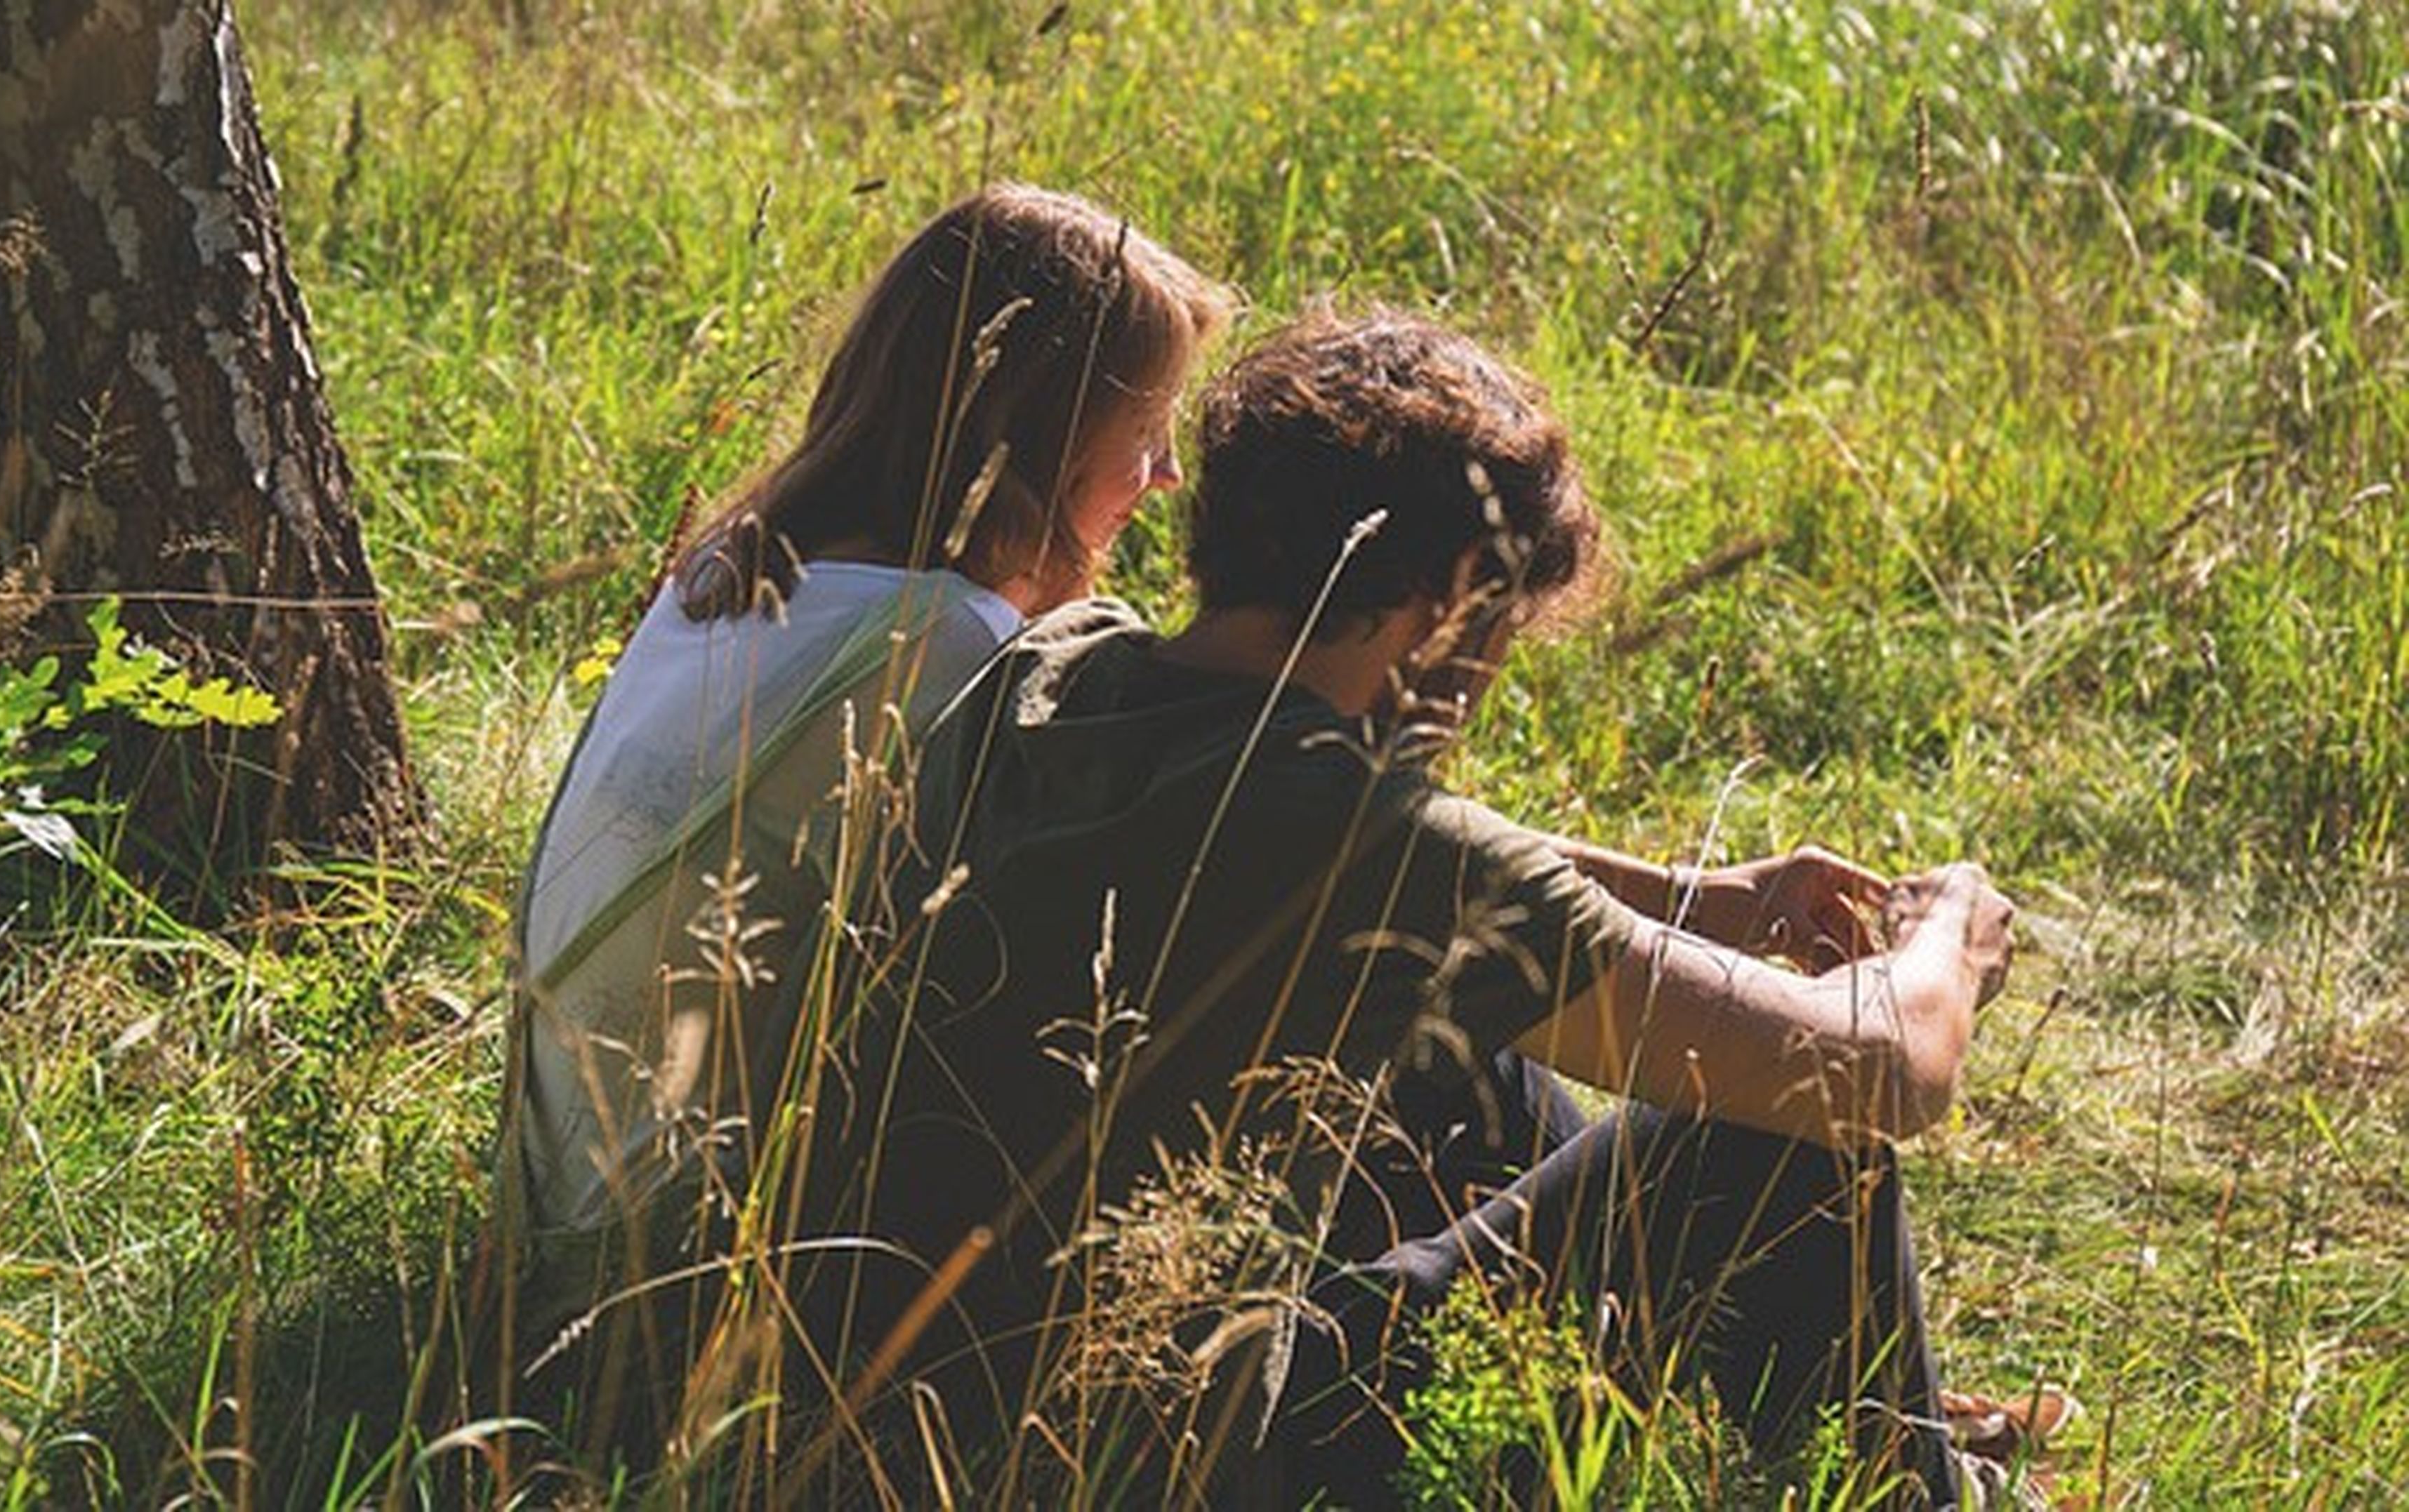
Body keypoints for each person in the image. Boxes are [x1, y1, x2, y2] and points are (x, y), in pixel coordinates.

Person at [811, 308, 2033, 1506]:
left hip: (877, 1415)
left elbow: (1377, 861)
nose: (1488, 675)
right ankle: (1917, 1486)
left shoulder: (1056, 672)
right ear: (1436, 602)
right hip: (1175, 1460)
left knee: (1472, 1067)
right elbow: (1873, 1069)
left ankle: (1693, 1410)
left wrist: (1693, 903)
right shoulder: (1376, 851)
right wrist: (1948, 938)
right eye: (1497, 626)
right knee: (1789, 1146)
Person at [497, 183, 1227, 1466]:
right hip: (694, 1289)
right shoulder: (939, 646)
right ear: (1041, 436)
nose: (1165, 477)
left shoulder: (733, 569)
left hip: (562, 1214)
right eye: (1147, 432)